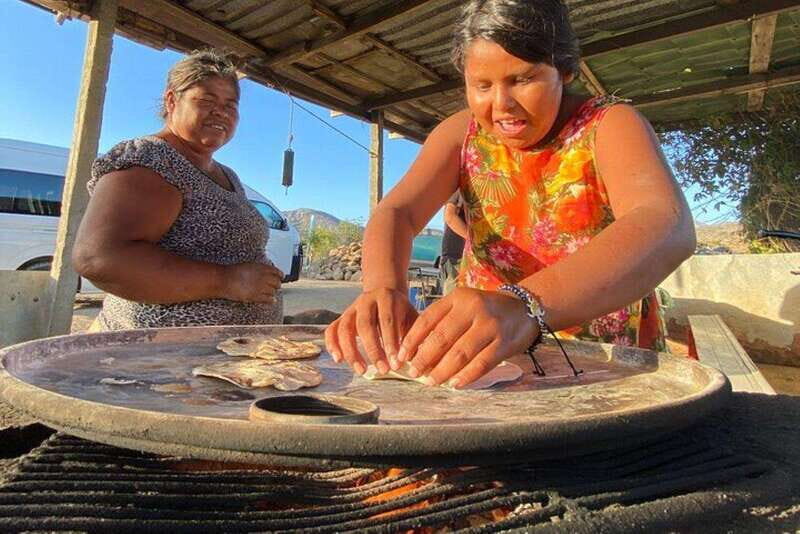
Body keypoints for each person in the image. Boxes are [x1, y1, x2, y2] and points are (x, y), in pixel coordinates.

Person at [325, 0, 696, 387]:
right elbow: (399, 212)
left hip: (600, 363)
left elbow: (666, 224)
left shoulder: (608, 125)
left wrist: (525, 305)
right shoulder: (461, 134)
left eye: (522, 79)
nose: (501, 105)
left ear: (565, 69)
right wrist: (383, 287)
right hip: (484, 357)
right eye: (482, 85)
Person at [72, 49, 284, 331]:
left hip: (228, 349)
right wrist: (227, 281)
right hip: (158, 351)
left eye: (231, 105)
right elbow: (99, 258)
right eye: (207, 100)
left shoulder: (227, 175)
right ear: (172, 100)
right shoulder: (152, 159)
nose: (220, 112)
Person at [440, 191, 467, 295]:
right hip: (456, 259)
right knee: (455, 299)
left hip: (472, 259)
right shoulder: (461, 189)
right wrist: (474, 243)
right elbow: (450, 216)